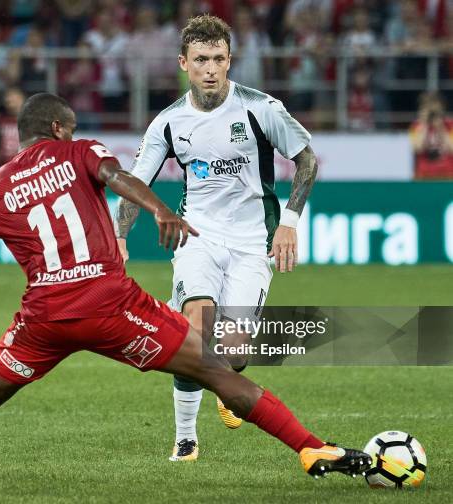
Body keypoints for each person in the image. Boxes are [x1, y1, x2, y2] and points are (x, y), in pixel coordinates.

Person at [0, 93, 370, 485]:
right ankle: (310, 448)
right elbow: (116, 175)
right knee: (216, 366)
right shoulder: (78, 152)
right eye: (71, 126)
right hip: (111, 305)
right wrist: (161, 209)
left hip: (44, 320)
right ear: (58, 127)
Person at [115, 15, 319, 461]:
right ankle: (186, 437)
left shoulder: (261, 108)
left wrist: (290, 222)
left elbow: (307, 160)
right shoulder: (168, 122)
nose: (211, 68)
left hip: (251, 243)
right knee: (195, 332)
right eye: (201, 59)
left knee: (235, 353)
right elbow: (136, 182)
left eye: (219, 59)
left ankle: (226, 383)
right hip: (198, 238)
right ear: (183, 63)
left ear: (230, 61)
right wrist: (119, 236)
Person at [410, 92, 453, 179]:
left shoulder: (450, 125)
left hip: (447, 174)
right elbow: (417, 148)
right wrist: (424, 125)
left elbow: (451, 148)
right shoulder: (416, 126)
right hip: (424, 174)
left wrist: (441, 127)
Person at [0, 87, 26, 166]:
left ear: (21, 98)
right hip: (4, 165)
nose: (9, 100)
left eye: (13, 97)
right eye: (7, 97)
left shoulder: (30, 120)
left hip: (24, 165)